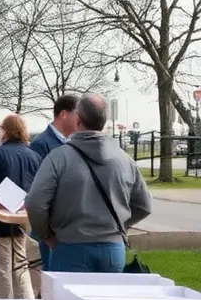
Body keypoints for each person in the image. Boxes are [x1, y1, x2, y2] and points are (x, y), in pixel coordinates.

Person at [26, 94, 152, 272]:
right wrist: (120, 226)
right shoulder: (124, 159)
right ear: (104, 121)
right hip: (113, 248)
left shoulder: (59, 157)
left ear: (77, 120)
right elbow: (144, 205)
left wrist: (46, 235)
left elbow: (35, 203)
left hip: (69, 247)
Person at [0, 114, 42, 299]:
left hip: (0, 216)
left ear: (5, 131)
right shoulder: (34, 156)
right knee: (21, 263)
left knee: (3, 266)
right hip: (23, 216)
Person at [28, 94, 79, 274]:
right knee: (53, 276)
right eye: (77, 114)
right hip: (52, 226)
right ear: (64, 114)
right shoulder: (41, 144)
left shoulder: (72, 143)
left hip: (68, 223)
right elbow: (39, 189)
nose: (80, 119)